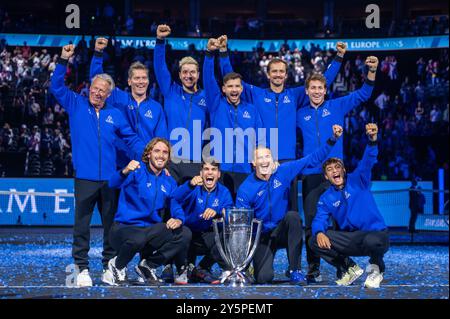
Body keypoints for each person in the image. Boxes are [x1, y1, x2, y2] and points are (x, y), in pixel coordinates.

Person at [50, 44, 146, 287]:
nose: (98, 93)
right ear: (89, 88)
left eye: (103, 90)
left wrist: (148, 152)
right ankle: (82, 268)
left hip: (111, 179)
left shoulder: (116, 114)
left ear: (108, 93)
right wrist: (63, 59)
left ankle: (107, 267)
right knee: (81, 225)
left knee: (110, 228)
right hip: (85, 177)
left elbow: (132, 139)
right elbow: (56, 87)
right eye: (95, 88)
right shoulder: (76, 104)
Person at [218, 36, 346, 212]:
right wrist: (224, 52)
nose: (278, 74)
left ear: (286, 75)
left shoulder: (295, 95)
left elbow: (322, 81)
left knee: (290, 207)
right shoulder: (257, 94)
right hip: (263, 160)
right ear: (268, 74)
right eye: (274, 71)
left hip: (287, 160)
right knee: (262, 206)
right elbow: (230, 78)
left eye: (281, 71)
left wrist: (339, 57)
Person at [297, 56, 379, 283]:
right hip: (312, 175)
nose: (316, 91)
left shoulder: (336, 106)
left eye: (320, 88)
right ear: (306, 91)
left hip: (336, 176)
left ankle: (342, 269)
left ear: (326, 89)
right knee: (312, 224)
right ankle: (314, 268)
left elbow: (364, 94)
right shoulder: (299, 114)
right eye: (312, 88)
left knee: (337, 223)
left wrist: (371, 71)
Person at [236, 124, 343, 285]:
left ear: (273, 160)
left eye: (267, 157)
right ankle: (255, 267)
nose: (265, 161)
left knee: (293, 217)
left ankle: (295, 270)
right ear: (253, 162)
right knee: (264, 278)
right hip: (262, 236)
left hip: (282, 230)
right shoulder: (246, 188)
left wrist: (332, 139)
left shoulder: (283, 171)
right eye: (260, 158)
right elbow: (243, 224)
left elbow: (312, 159)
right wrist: (243, 263)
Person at [310, 123, 389, 289]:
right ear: (326, 176)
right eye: (330, 169)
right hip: (353, 239)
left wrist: (372, 140)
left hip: (375, 234)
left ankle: (376, 270)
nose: (334, 171)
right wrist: (318, 232)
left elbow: (368, 160)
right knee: (314, 240)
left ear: (344, 170)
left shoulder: (359, 179)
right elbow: (319, 219)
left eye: (337, 167)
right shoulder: (326, 198)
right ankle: (348, 268)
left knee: (371, 240)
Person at [105, 138, 192, 286]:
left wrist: (178, 218)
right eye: (157, 151)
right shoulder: (136, 171)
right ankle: (116, 265)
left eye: (165, 152)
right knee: (138, 237)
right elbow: (112, 183)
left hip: (149, 231)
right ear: (148, 154)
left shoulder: (168, 181)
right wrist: (125, 171)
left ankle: (148, 265)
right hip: (124, 229)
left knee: (184, 233)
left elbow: (174, 202)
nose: (161, 155)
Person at [89, 37, 168, 167]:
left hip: (145, 166)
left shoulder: (156, 108)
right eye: (136, 78)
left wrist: (160, 164)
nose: (140, 82)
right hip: (118, 164)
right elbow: (97, 79)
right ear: (129, 81)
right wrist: (98, 53)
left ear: (148, 81)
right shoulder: (117, 98)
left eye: (144, 78)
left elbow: (161, 139)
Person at [203, 38, 264, 198]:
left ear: (242, 88)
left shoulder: (251, 110)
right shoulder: (216, 105)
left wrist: (259, 161)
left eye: (237, 86)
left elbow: (260, 139)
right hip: (221, 168)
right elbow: (208, 79)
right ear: (223, 89)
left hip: (246, 168)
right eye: (230, 86)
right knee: (221, 213)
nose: (234, 89)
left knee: (244, 213)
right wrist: (209, 54)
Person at [154, 25, 208, 184]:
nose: (188, 76)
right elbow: (159, 68)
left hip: (196, 160)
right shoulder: (171, 92)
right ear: (179, 74)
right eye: (185, 72)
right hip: (171, 161)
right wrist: (160, 41)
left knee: (192, 207)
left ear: (198, 75)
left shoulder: (207, 97)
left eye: (192, 72)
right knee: (168, 205)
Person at [171, 157, 234, 284]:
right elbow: (174, 198)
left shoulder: (223, 192)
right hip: (188, 236)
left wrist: (217, 213)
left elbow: (230, 213)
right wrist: (189, 185)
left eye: (213, 169)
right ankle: (184, 269)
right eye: (206, 169)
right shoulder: (192, 187)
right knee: (184, 234)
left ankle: (203, 267)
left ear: (218, 174)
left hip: (207, 236)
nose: (210, 172)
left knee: (227, 235)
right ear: (201, 173)